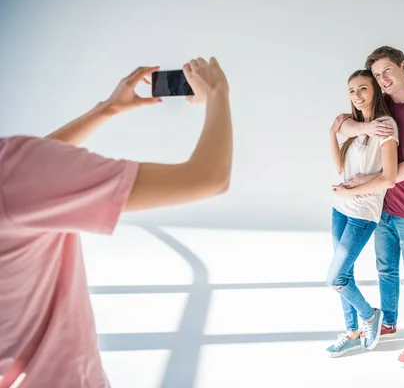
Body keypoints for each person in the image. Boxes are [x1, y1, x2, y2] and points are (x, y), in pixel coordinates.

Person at [0, 57, 232, 387]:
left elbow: (30, 166)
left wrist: (106, 109)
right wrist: (219, 92)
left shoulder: (15, 173)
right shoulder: (13, 172)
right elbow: (208, 177)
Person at [337, 46, 404, 367]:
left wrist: (361, 184)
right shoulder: (382, 106)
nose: (383, 79)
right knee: (385, 271)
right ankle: (389, 321)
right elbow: (341, 124)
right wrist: (364, 127)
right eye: (377, 75)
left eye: (388, 71)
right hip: (381, 208)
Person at [325, 69, 399, 357]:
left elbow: (389, 178)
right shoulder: (355, 127)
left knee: (335, 278)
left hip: (363, 212)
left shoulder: (386, 126)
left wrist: (351, 191)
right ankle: (352, 331)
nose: (356, 96)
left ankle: (370, 317)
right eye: (351, 91)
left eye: (362, 89)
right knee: (346, 274)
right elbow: (340, 167)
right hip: (340, 209)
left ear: (375, 91)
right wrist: (332, 132)